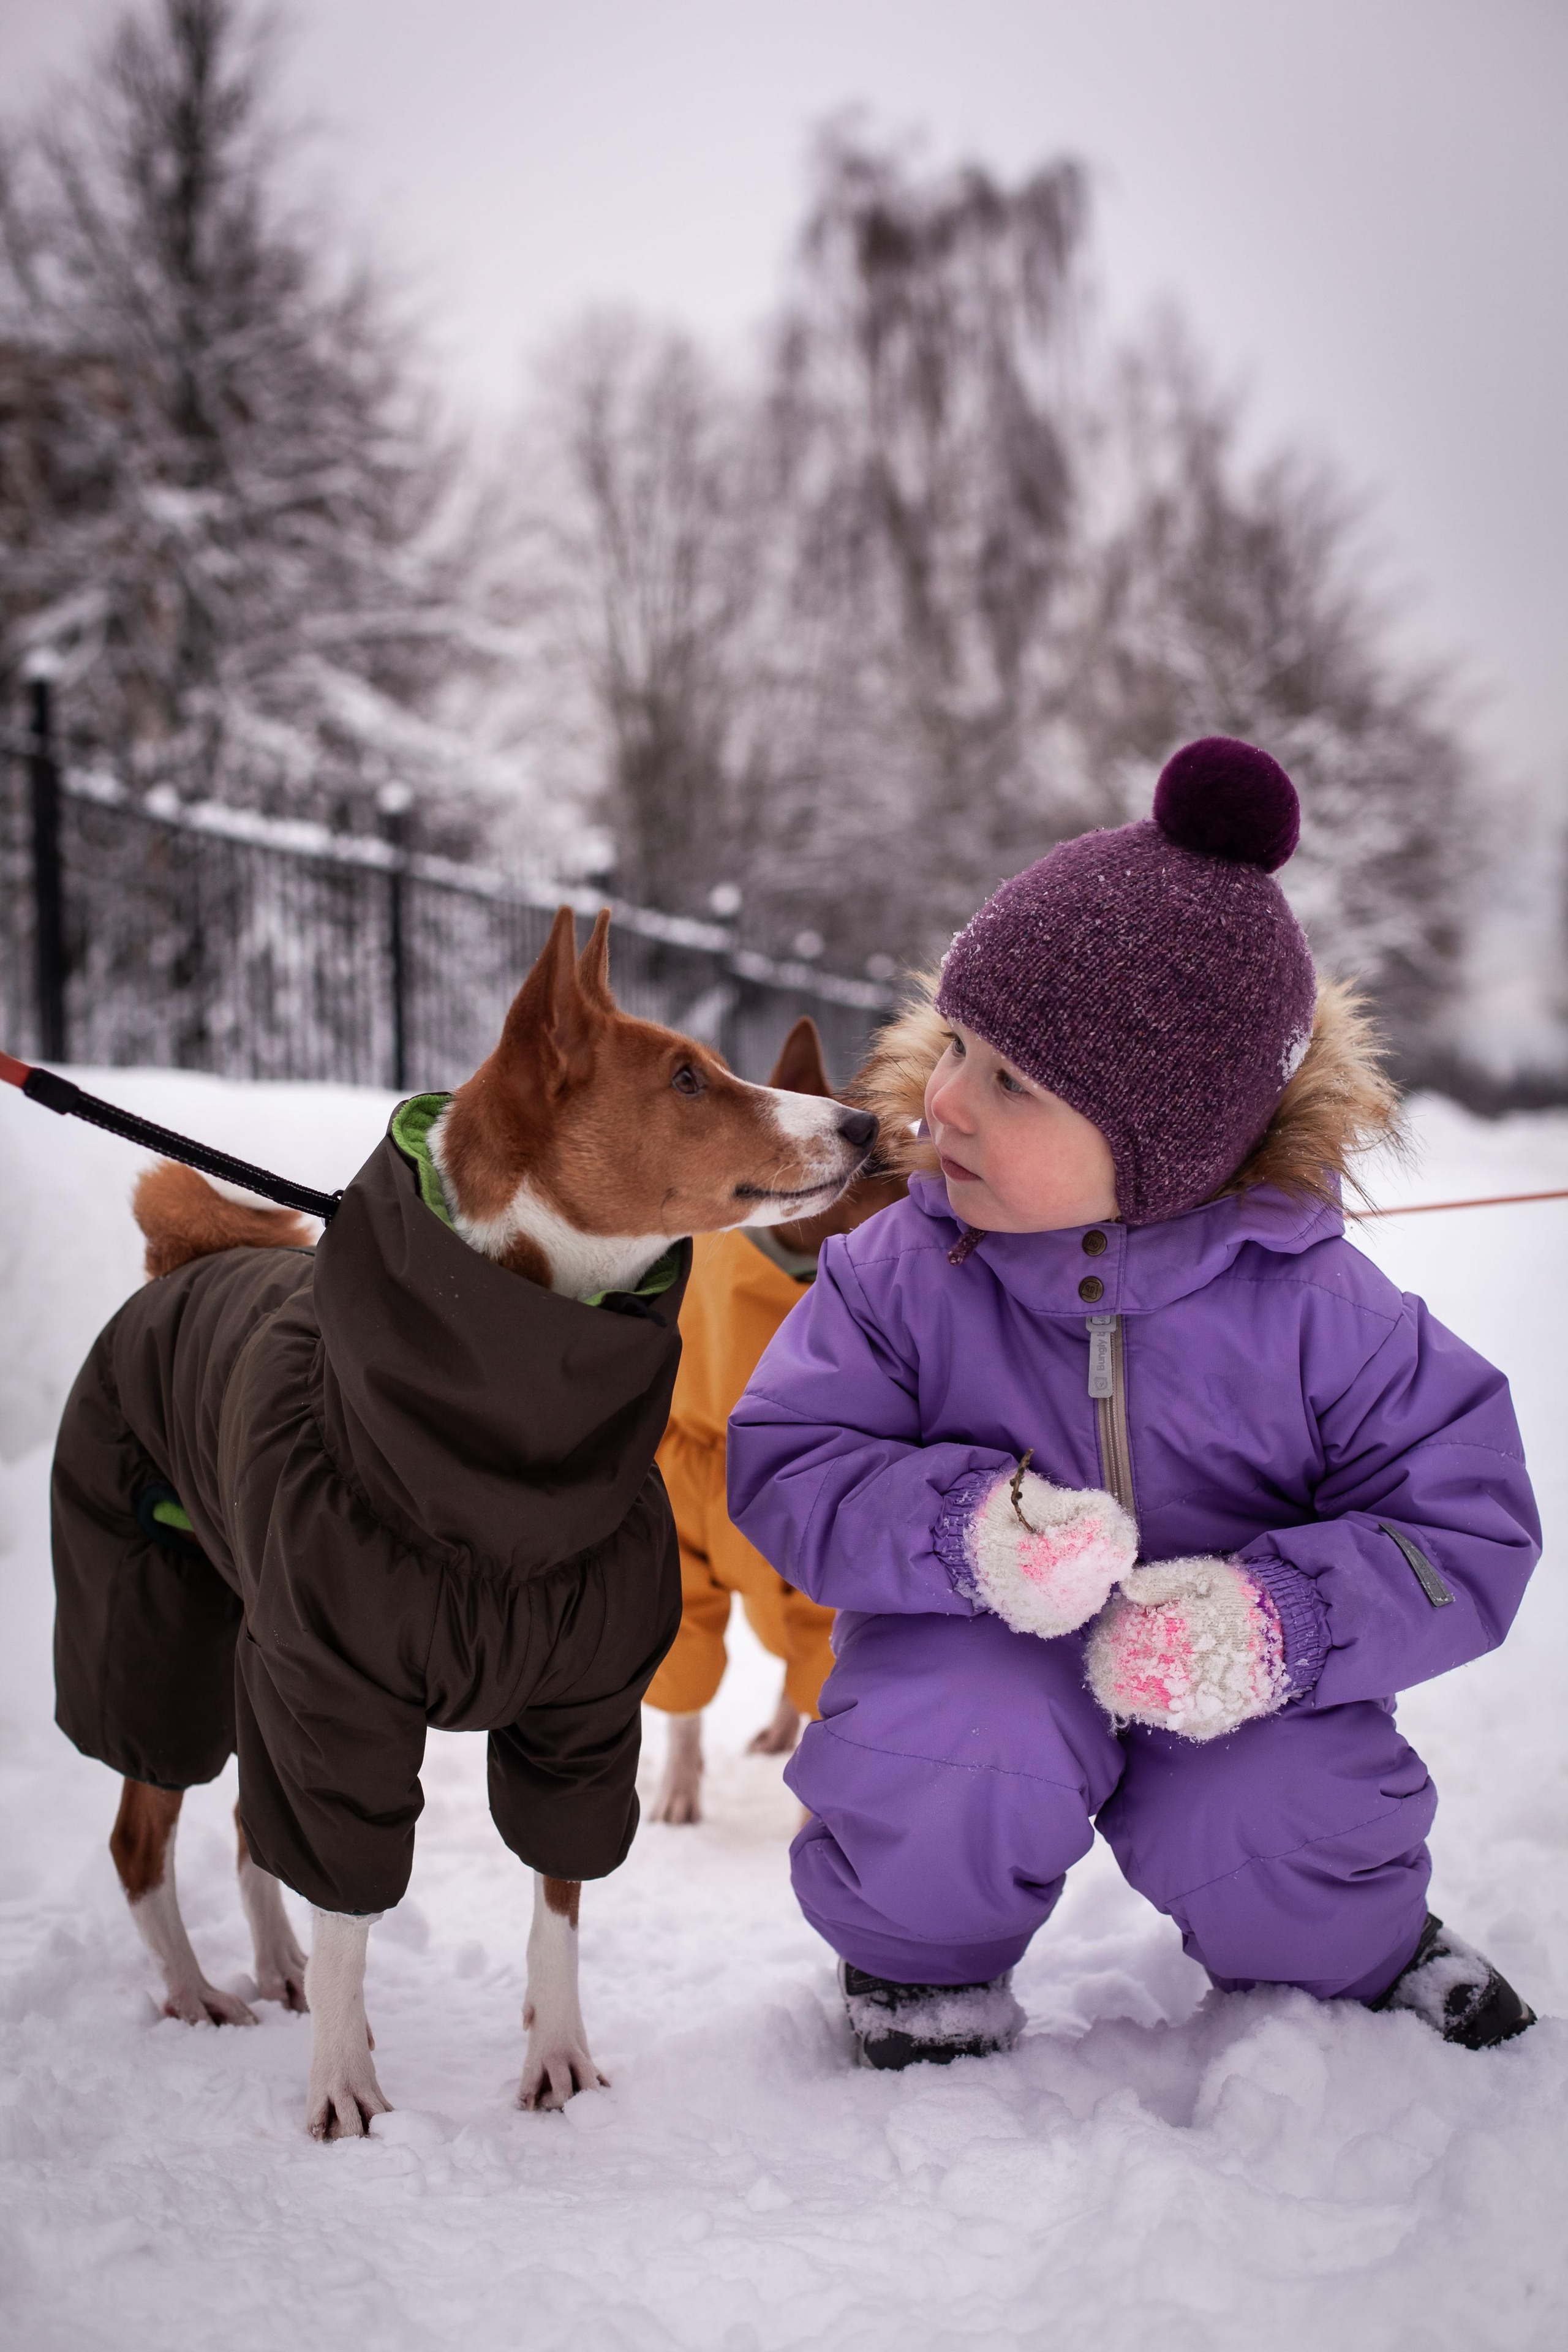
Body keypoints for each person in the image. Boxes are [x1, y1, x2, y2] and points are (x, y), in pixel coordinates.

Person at [728, 737, 1540, 2069]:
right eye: (956, 1047)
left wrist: (1276, 1626)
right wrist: (966, 1535)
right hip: (976, 1641)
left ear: (1162, 1148)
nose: (943, 1105)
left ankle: (1357, 1957)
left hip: (1225, 1669)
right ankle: (914, 1969)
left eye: (1011, 1084)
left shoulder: (1318, 1314)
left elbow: (1461, 1527)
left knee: (1274, 1803)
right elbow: (790, 1459)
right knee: (952, 1736)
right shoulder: (902, 1271)